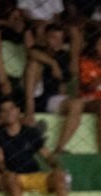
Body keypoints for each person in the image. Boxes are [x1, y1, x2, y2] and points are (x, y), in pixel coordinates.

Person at [0, 97, 73, 196]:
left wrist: (57, 167)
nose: (8, 113)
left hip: (35, 176)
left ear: (18, 111)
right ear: (1, 116)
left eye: (11, 109)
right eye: (4, 111)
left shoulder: (30, 132)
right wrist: (5, 173)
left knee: (59, 176)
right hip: (16, 178)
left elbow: (46, 155)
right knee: (11, 178)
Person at [23, 23, 87, 155]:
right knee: (34, 64)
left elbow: (67, 79)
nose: (57, 42)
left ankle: (59, 148)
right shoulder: (38, 49)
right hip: (33, 95)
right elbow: (32, 53)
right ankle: (29, 109)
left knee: (77, 104)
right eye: (53, 37)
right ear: (46, 38)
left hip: (50, 97)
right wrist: (52, 63)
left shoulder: (63, 55)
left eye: (60, 39)